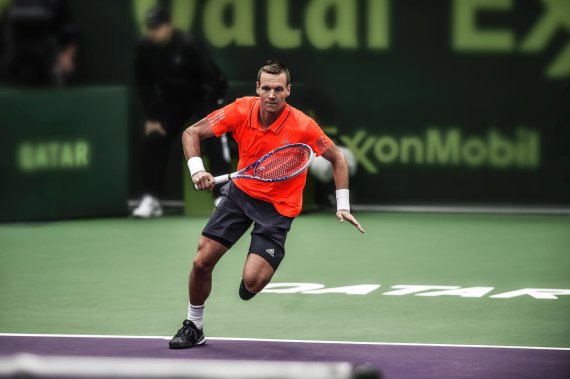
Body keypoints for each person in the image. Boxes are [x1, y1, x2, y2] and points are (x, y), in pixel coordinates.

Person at [169, 59, 365, 349]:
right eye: (266, 88)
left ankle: (255, 274)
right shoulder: (239, 110)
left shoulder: (303, 126)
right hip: (240, 194)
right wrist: (197, 169)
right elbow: (192, 133)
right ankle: (193, 326)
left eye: (278, 89)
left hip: (278, 209)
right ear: (257, 89)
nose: (272, 95)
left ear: (288, 91)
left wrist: (343, 204)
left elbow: (337, 159)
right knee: (201, 262)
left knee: (252, 282)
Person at [132, 6, 230, 218]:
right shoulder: (144, 48)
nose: (152, 32)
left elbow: (214, 79)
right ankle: (152, 199)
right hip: (173, 102)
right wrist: (152, 117)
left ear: (168, 27)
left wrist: (213, 112)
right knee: (154, 138)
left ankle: (222, 197)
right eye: (150, 28)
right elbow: (144, 84)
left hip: (203, 97)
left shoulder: (188, 45)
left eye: (157, 27)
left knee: (213, 136)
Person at [0, 0, 79, 87]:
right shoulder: (8, 4)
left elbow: (69, 32)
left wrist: (67, 56)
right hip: (10, 70)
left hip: (44, 70)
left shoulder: (53, 3)